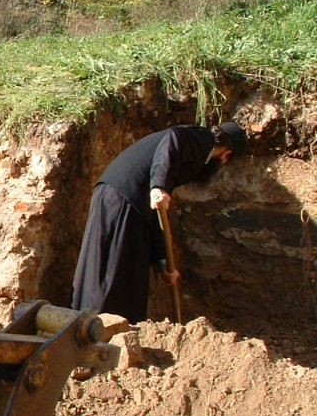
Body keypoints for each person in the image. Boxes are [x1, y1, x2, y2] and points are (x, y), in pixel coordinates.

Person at [71, 121, 247, 322]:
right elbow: (173, 138)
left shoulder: (191, 156)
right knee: (111, 270)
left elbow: (156, 213)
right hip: (122, 197)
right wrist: (158, 186)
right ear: (226, 155)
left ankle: (111, 328)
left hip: (127, 201)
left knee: (129, 270)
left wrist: (162, 260)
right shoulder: (202, 139)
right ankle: (96, 328)